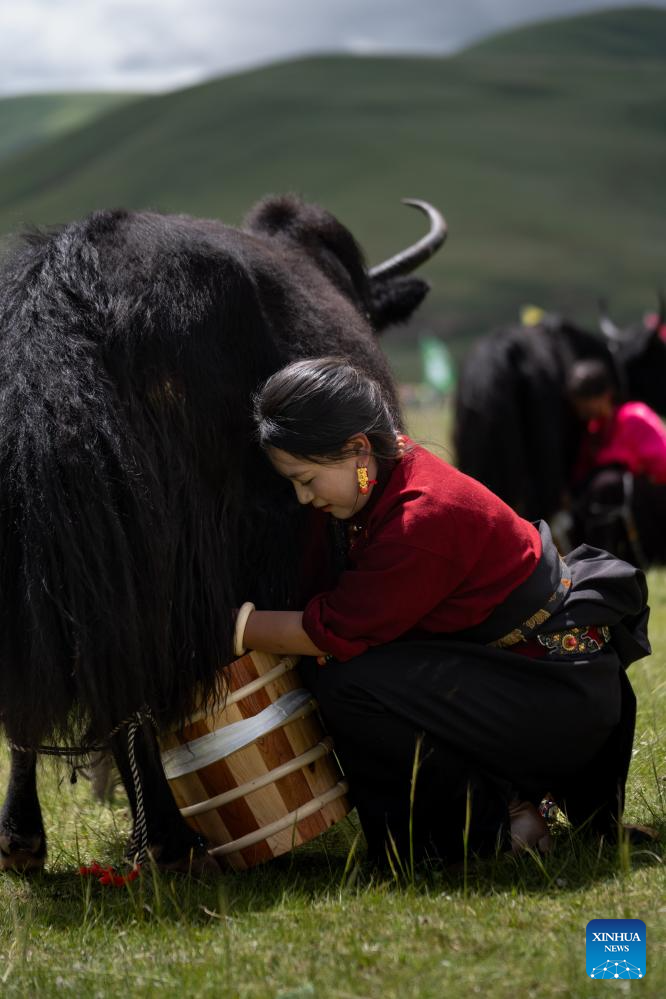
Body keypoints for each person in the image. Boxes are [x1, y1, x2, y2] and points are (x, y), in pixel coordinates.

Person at [234, 357, 650, 866]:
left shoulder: (422, 517)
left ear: (358, 449)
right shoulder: (386, 475)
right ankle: (507, 802)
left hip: (555, 695)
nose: (302, 497)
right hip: (526, 676)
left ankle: (485, 829)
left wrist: (234, 628)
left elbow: (333, 629)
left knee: (352, 682)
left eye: (306, 478)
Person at [567, 359, 666, 564]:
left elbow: (661, 465)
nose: (581, 410)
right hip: (630, 502)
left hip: (656, 498)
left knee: (608, 484)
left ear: (605, 395)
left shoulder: (634, 417)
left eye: (586, 402)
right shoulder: (595, 431)